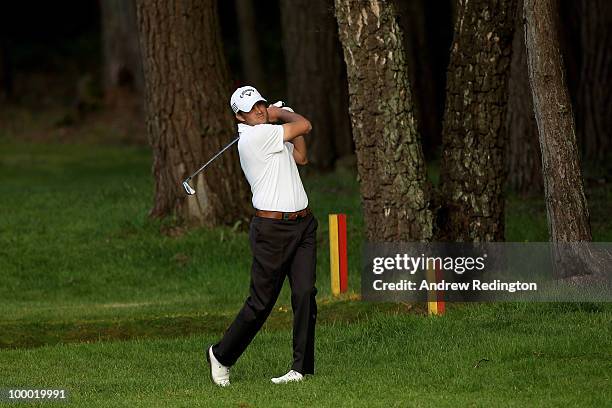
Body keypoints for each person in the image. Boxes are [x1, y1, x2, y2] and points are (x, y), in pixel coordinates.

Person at [206, 86, 318, 386]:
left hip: (303, 224)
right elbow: (305, 124)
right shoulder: (256, 136)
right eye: (252, 108)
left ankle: (301, 369)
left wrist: (280, 120)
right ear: (240, 117)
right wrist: (281, 113)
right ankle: (220, 355)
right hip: (273, 232)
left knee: (305, 293)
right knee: (261, 303)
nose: (258, 110)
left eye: (261, 104)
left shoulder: (269, 133)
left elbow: (302, 157)